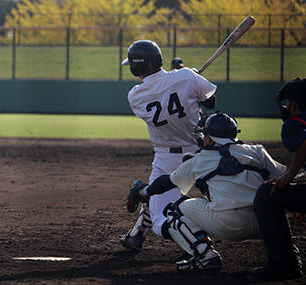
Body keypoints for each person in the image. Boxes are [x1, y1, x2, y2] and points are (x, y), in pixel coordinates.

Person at [127, 112, 286, 272]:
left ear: (209, 138)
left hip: (228, 225)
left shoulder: (201, 159)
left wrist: (144, 191)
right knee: (273, 204)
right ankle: (288, 255)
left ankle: (205, 255)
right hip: (264, 223)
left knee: (176, 209)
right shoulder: (257, 151)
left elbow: (166, 182)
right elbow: (283, 180)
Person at [120, 40, 217, 252]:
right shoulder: (186, 77)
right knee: (223, 202)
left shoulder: (135, 96)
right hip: (203, 153)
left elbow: (164, 97)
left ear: (137, 67)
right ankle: (152, 202)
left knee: (160, 219)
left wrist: (186, 80)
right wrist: (191, 79)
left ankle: (199, 245)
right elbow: (211, 102)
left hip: (168, 160)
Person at [252, 78, 306, 280]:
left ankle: (283, 264)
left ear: (293, 105)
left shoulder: (294, 124)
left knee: (267, 194)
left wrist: (287, 178)